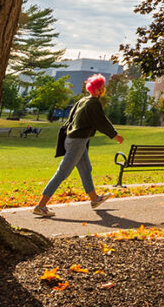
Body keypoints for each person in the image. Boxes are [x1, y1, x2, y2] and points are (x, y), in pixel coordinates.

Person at [33, 74, 124, 217]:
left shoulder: (82, 100)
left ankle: (94, 199)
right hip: (78, 141)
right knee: (62, 173)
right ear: (97, 89)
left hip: (71, 139)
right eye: (100, 88)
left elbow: (70, 119)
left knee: (86, 169)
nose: (101, 90)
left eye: (101, 88)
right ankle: (41, 205)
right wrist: (115, 135)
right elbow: (101, 122)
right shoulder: (93, 103)